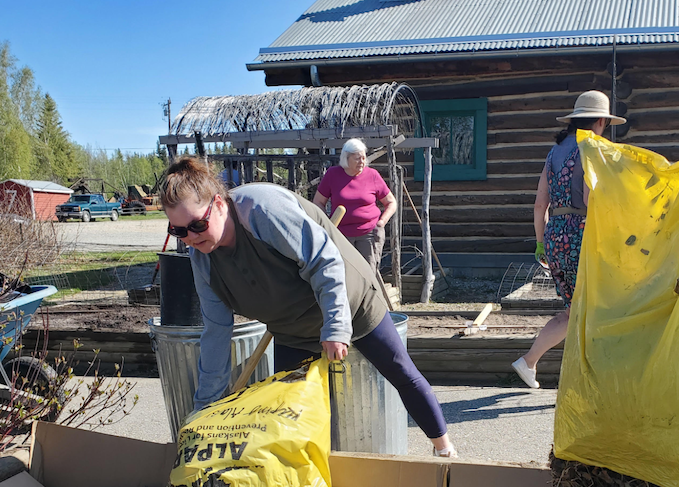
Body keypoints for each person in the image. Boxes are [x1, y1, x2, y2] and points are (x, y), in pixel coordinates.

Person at [159, 156, 458, 458]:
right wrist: (205, 409)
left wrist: (336, 326)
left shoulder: (261, 210)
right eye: (179, 231)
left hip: (351, 302)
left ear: (220, 204)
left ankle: (445, 452)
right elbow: (216, 331)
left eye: (197, 224)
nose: (191, 238)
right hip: (291, 329)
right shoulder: (201, 259)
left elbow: (324, 261)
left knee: (399, 371)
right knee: (292, 413)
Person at [511, 91, 625, 389]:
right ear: (601, 121)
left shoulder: (555, 152)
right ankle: (590, 377)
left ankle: (529, 361)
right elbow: (591, 198)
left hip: (555, 234)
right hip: (583, 233)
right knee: (594, 308)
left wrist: (541, 242)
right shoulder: (593, 149)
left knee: (575, 308)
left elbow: (539, 204)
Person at [313, 138, 397, 270]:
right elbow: (318, 202)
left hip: (369, 233)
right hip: (341, 235)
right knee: (344, 273)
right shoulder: (333, 175)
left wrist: (381, 222)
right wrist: (327, 224)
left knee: (367, 274)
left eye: (364, 157)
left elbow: (391, 202)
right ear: (346, 158)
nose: (362, 162)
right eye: (357, 158)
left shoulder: (372, 175)